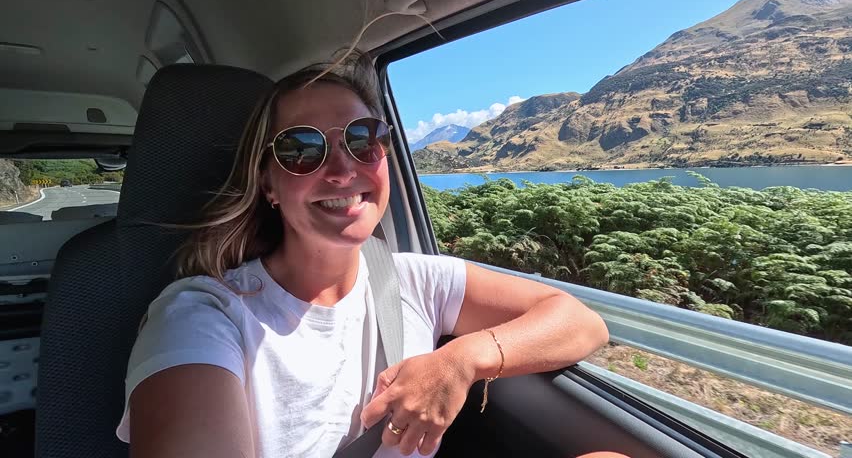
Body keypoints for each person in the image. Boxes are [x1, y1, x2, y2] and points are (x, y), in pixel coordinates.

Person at [115, 52, 621, 458]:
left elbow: (579, 322)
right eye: (300, 149)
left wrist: (460, 361)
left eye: (363, 139)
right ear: (267, 181)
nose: (342, 169)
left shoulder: (417, 281)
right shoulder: (202, 316)